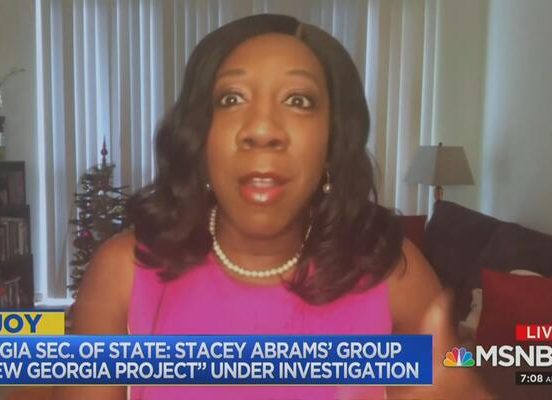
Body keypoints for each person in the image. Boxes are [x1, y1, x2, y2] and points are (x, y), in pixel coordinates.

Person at [53, 14, 491, 400]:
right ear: (200, 136)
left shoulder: (394, 270)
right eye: (231, 99)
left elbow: (458, 367)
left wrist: (470, 389)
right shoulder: (123, 270)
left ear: (332, 141)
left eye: (299, 101)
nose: (262, 130)